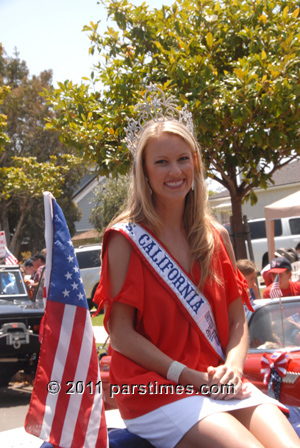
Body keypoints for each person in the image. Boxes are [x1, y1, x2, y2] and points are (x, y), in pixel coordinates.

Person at [94, 85, 300, 448]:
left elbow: (237, 321)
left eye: (183, 159)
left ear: (195, 163)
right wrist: (189, 376)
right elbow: (121, 334)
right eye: (161, 162)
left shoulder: (215, 235)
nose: (175, 171)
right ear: (144, 171)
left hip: (216, 378)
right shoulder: (124, 238)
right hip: (156, 387)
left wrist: (234, 368)